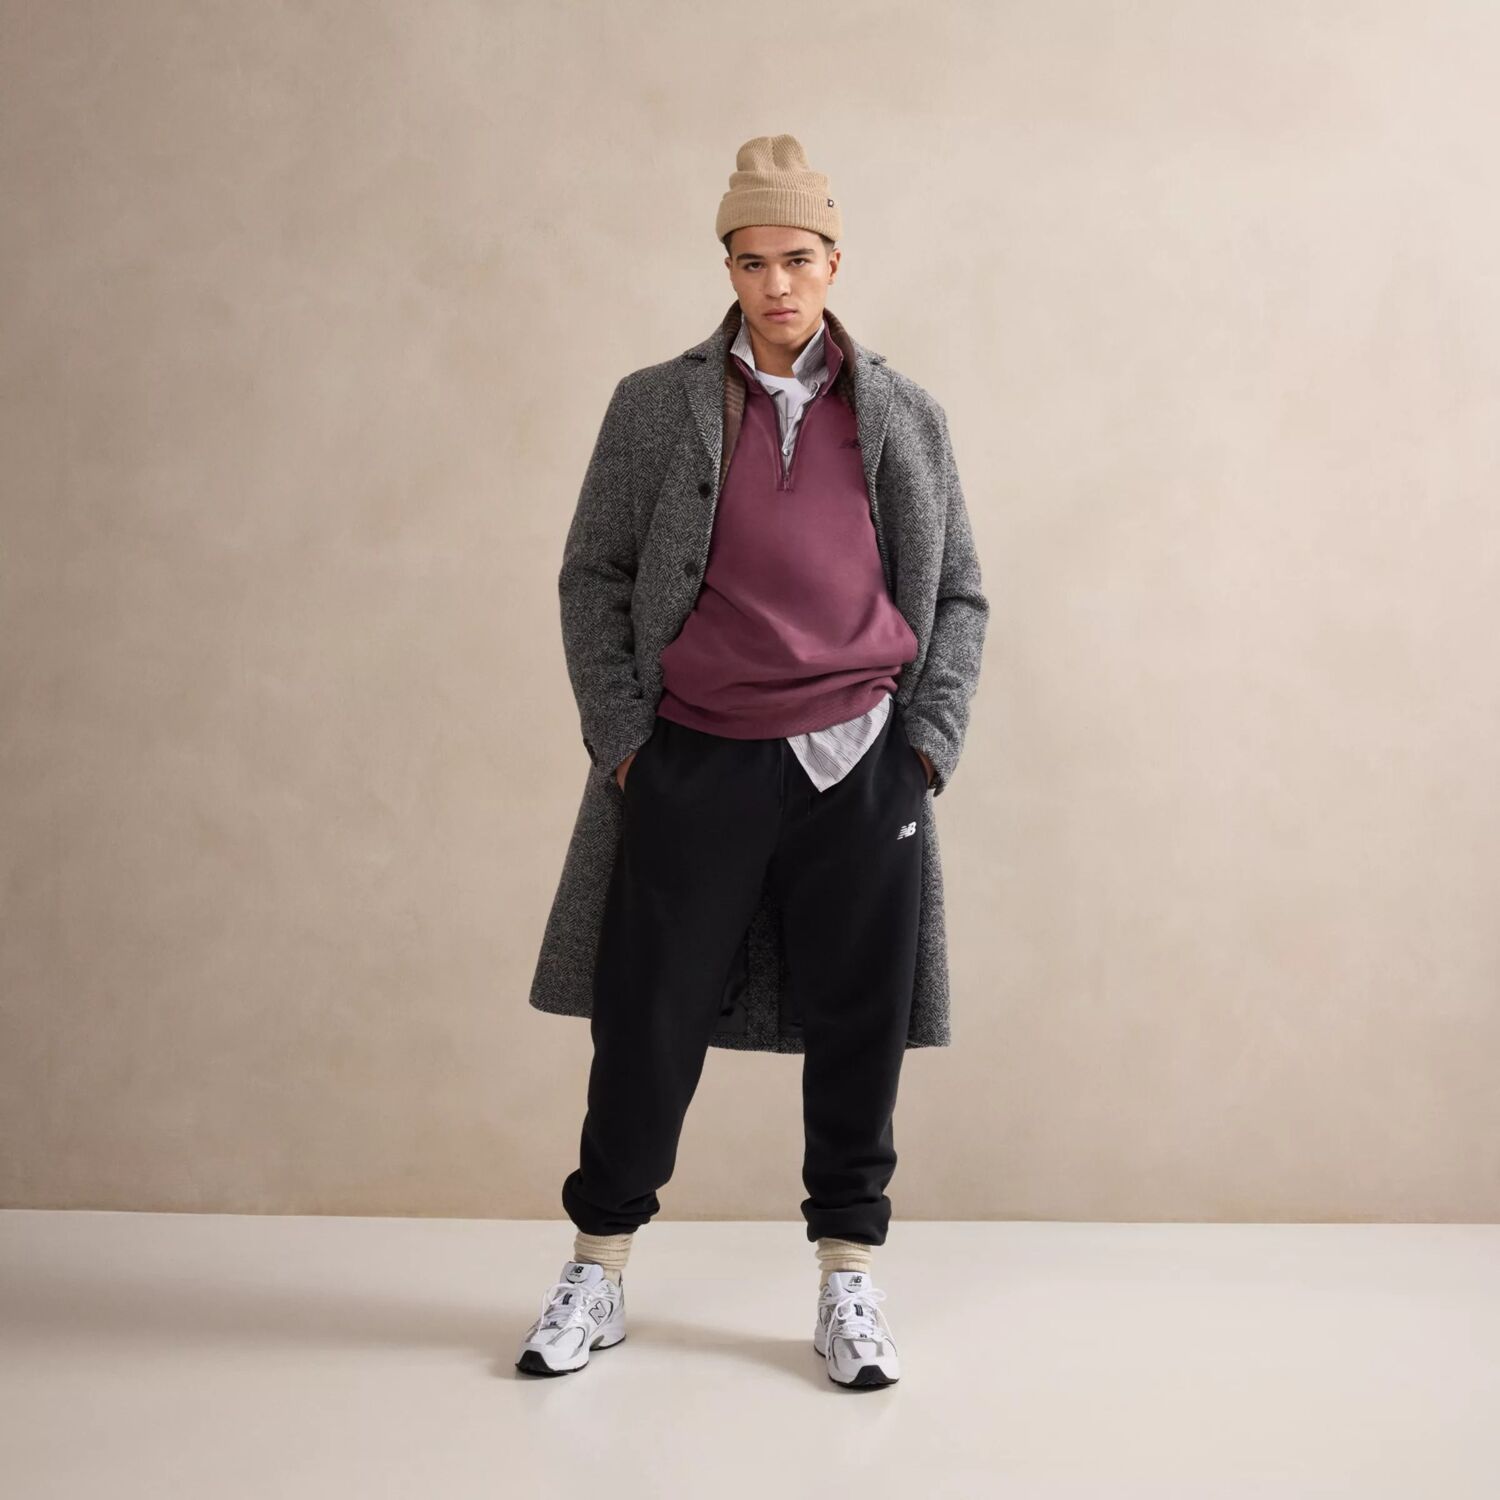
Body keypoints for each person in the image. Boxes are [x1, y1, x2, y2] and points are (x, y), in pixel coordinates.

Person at [517, 134, 988, 1387]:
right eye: (751, 261)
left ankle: (848, 1278)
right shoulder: (655, 406)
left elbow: (959, 596)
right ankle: (597, 1270)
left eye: (797, 258)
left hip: (860, 762)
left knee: (861, 1028)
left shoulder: (902, 415)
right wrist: (627, 743)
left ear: (835, 261)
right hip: (697, 758)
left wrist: (924, 749)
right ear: (727, 267)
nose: (776, 283)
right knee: (646, 1021)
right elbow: (593, 576)